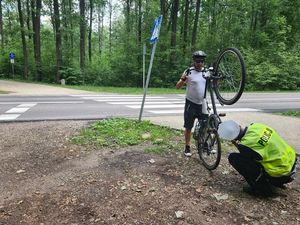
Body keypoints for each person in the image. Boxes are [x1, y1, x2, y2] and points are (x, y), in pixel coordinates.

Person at [218, 120, 297, 197]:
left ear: (232, 138)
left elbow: (248, 161)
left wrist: (236, 144)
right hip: (291, 161)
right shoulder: (257, 126)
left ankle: (262, 190)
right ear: (239, 126)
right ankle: (275, 182)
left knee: (234, 158)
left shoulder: (245, 145)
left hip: (282, 173)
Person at [176, 50, 208, 157]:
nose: (200, 63)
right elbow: (178, 86)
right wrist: (182, 79)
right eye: (198, 61)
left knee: (205, 124)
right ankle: (187, 146)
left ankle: (203, 143)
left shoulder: (207, 71)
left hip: (203, 103)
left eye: (202, 61)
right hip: (191, 102)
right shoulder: (189, 71)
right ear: (194, 61)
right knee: (189, 126)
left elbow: (213, 84)